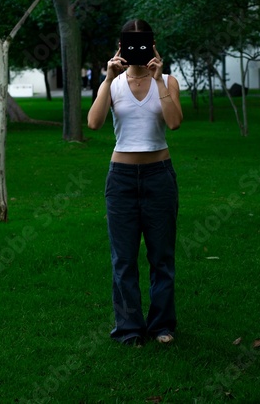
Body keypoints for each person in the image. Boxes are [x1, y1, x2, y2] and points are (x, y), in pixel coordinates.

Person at [87, 19, 183, 346]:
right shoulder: (111, 84)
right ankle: (129, 328)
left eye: (144, 42)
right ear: (121, 45)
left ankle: (161, 326)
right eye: (132, 43)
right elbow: (94, 122)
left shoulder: (168, 81)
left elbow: (175, 122)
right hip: (122, 180)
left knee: (162, 257)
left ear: (153, 44)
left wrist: (158, 79)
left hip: (159, 177)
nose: (138, 49)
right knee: (124, 258)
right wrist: (107, 77)